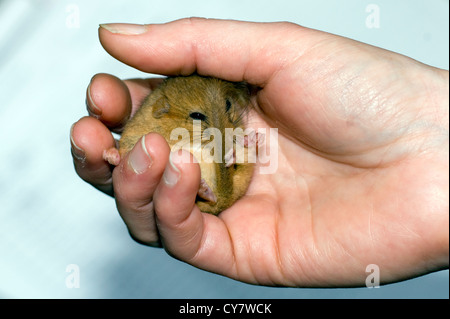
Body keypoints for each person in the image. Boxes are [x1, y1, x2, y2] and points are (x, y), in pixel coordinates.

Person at [70, 18, 449, 287]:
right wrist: (123, 155)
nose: (222, 126)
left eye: (230, 112)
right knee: (148, 157)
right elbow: (139, 138)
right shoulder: (159, 114)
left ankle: (207, 191)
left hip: (218, 185)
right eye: (203, 118)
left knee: (206, 167)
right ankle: (200, 191)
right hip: (187, 178)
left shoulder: (229, 126)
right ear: (167, 111)